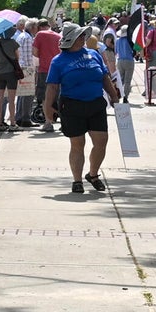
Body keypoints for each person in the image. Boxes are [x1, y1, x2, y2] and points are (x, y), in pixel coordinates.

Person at [43, 21, 119, 193]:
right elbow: (52, 87)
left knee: (101, 141)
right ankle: (77, 180)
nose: (84, 38)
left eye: (84, 35)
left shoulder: (94, 54)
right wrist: (48, 107)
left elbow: (104, 77)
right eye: (80, 36)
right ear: (71, 40)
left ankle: (93, 174)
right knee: (78, 143)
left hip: (96, 103)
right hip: (72, 105)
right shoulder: (59, 61)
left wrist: (114, 96)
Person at [0, 25, 21, 131]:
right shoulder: (13, 43)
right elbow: (17, 57)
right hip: (11, 73)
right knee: (12, 99)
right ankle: (12, 123)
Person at [32, 19, 62, 129]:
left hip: (44, 70)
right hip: (58, 69)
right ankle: (63, 119)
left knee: (45, 97)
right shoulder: (58, 36)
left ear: (39, 27)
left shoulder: (39, 35)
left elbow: (34, 52)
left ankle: (48, 122)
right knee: (58, 97)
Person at [13, 20, 37, 127]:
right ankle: (25, 118)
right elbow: (28, 57)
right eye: (36, 27)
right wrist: (31, 71)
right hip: (26, 68)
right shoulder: (27, 38)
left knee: (22, 94)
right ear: (32, 27)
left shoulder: (21, 36)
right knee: (28, 94)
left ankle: (19, 117)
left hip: (21, 67)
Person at [115, 22, 137, 102]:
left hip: (120, 60)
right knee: (128, 80)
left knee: (120, 80)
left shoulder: (117, 40)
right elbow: (135, 50)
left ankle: (117, 94)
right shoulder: (131, 41)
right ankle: (125, 96)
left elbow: (116, 51)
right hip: (129, 60)